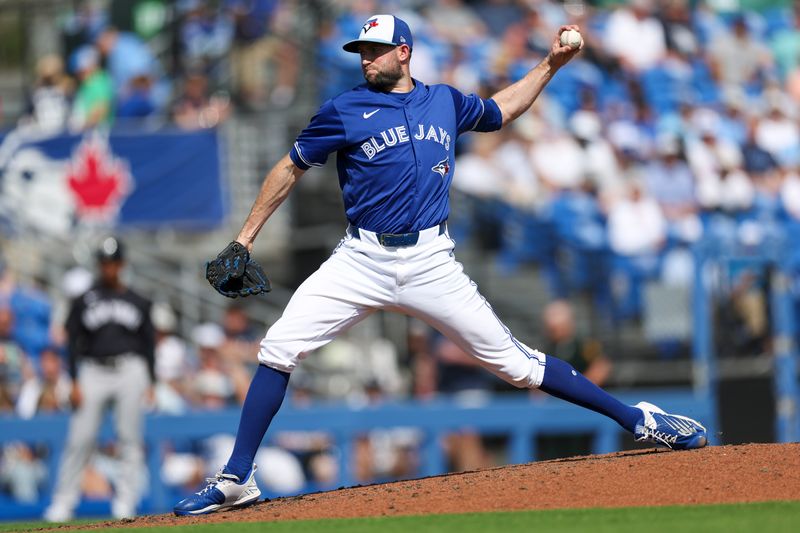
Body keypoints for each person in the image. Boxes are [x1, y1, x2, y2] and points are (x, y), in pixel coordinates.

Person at [174, 14, 707, 516]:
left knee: (518, 367)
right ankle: (237, 477)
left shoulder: (445, 102)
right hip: (361, 258)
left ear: (403, 53)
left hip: (431, 259)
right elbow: (290, 167)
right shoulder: (343, 109)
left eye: (376, 51)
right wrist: (244, 239)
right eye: (361, 51)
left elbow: (500, 111)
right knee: (279, 347)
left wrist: (549, 66)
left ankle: (639, 419)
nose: (365, 59)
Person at [44, 237, 155, 522]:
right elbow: (72, 343)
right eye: (104, 263)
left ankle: (126, 502)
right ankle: (63, 502)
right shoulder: (84, 300)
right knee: (80, 437)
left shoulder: (138, 301)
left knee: (129, 438)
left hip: (130, 369)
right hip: (92, 370)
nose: (108, 268)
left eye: (113, 263)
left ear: (122, 265)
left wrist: (152, 382)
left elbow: (148, 344)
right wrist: (74, 380)